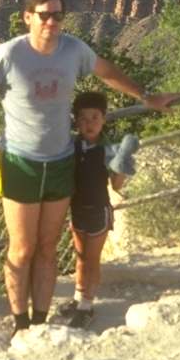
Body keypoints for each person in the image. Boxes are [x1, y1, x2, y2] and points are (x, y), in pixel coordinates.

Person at [0, 0, 178, 336]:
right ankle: (20, 323)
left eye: (57, 15)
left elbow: (106, 71)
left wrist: (146, 97)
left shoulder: (73, 50)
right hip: (19, 163)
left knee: (47, 248)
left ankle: (40, 321)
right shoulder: (9, 54)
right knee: (22, 247)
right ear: (28, 18)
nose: (51, 22)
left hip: (60, 162)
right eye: (43, 15)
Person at [58, 90, 133, 329]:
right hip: (77, 210)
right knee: (80, 258)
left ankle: (87, 306)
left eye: (94, 118)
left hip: (99, 211)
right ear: (76, 121)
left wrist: (123, 163)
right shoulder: (72, 146)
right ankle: (80, 298)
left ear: (103, 119)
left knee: (92, 259)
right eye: (84, 118)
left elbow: (116, 184)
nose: (89, 124)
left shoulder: (108, 150)